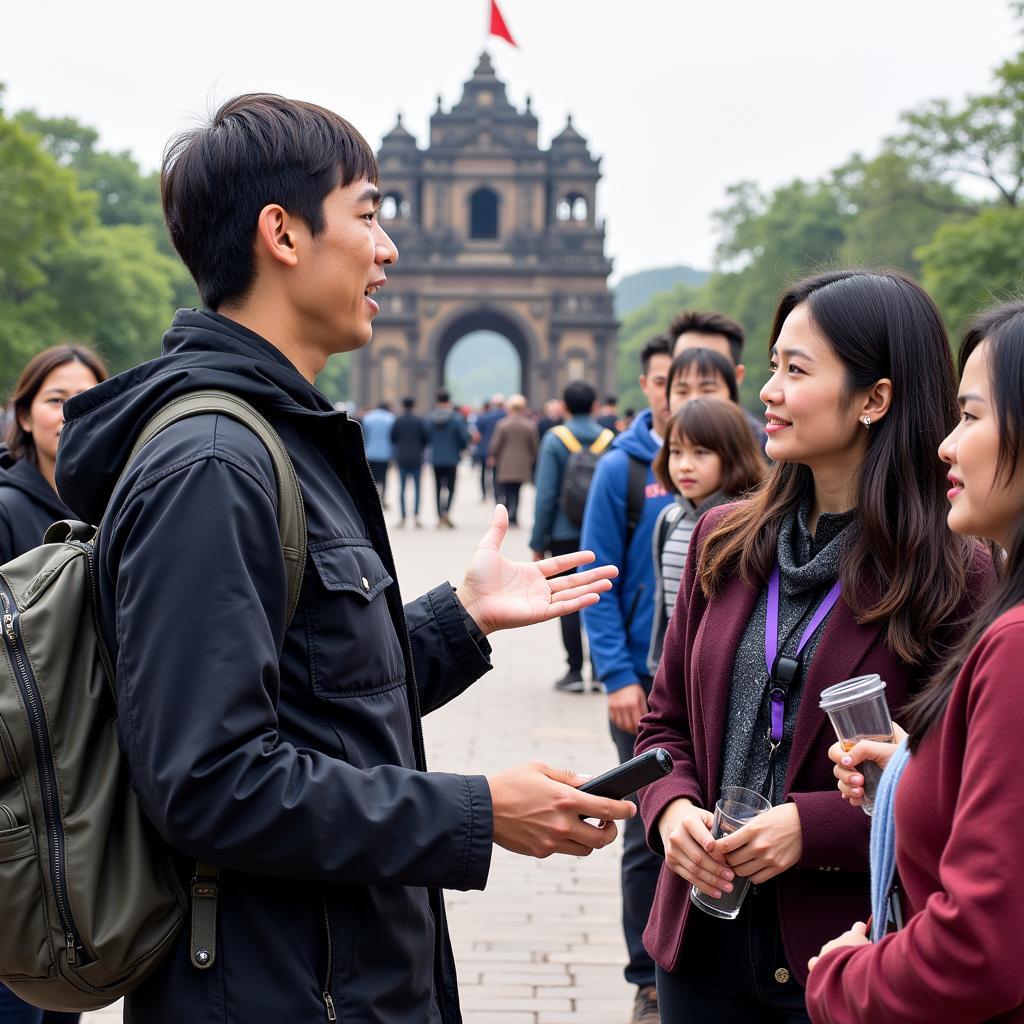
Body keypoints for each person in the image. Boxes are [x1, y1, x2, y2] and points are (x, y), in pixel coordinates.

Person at [53, 93, 635, 1024]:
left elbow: (305, 691)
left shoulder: (278, 439)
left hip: (339, 968)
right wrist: (477, 813)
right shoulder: (215, 461)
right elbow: (209, 783)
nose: (389, 246)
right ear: (281, 233)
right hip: (278, 985)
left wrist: (460, 618)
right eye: (369, 212)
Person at [634, 270, 991, 1023]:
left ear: (874, 399)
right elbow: (662, 728)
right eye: (773, 365)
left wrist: (815, 826)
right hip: (701, 942)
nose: (766, 389)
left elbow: (967, 789)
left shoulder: (953, 574)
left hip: (847, 951)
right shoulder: (722, 540)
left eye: (795, 370)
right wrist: (670, 814)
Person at [807, 301, 1024, 1024]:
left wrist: (842, 976)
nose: (946, 445)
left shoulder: (1012, 640)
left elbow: (975, 951)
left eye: (970, 416)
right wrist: (915, 767)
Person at [0, 344, 107, 1023]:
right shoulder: (7, 507)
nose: (70, 415)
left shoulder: (117, 501)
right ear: (24, 413)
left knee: (62, 982)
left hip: (78, 781)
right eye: (54, 400)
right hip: (15, 778)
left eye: (85, 400)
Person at [580, 333, 674, 1024]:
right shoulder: (624, 467)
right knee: (648, 826)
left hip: (726, 686)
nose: (686, 396)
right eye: (673, 380)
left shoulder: (764, 462)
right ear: (648, 383)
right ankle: (648, 975)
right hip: (645, 682)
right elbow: (599, 572)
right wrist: (615, 672)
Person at [647, 398, 766, 674]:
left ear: (733, 455)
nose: (685, 466)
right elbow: (663, 601)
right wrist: (657, 664)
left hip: (720, 674)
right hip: (675, 671)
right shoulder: (668, 520)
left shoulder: (748, 525)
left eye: (700, 453)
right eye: (676, 452)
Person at [530, 380, 608, 692]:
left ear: (563, 406)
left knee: (568, 599)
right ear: (594, 406)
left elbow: (545, 494)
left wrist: (538, 539)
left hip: (564, 533)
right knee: (601, 597)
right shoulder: (610, 439)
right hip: (602, 533)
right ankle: (602, 671)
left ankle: (574, 671)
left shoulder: (555, 440)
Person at [670, 309, 767, 443]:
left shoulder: (767, 451)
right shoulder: (643, 453)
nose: (694, 400)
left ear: (737, 376)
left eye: (713, 362)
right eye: (685, 361)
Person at [487, 394, 537, 527]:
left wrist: (493, 456)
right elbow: (534, 446)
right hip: (522, 463)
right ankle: (514, 516)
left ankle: (506, 514)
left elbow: (495, 444)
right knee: (517, 490)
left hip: (505, 462)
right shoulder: (530, 425)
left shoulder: (503, 424)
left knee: (505, 490)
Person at [426, 388, 470, 528]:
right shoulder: (456, 418)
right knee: (451, 488)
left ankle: (439, 515)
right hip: (452, 457)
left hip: (436, 457)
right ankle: (446, 513)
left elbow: (426, 436)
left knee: (438, 487)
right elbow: (463, 438)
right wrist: (463, 447)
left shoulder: (430, 418)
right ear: (448, 400)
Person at [391, 396, 429, 528]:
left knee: (402, 488)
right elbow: (426, 439)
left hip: (402, 457)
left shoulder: (398, 420)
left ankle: (402, 517)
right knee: (417, 488)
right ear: (414, 406)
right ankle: (416, 516)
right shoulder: (419, 421)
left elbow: (393, 438)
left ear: (403, 406)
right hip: (417, 457)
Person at [360, 400, 395, 507]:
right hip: (385, 453)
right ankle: (382, 499)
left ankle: (372, 500)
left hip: (370, 452)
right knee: (384, 477)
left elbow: (364, 435)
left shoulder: (368, 418)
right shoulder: (391, 418)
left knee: (371, 478)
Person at [473, 395, 506, 500]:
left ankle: (484, 493)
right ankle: (498, 494)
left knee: (483, 473)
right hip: (501, 450)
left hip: (484, 448)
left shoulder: (484, 417)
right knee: (497, 474)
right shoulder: (506, 417)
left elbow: (477, 435)